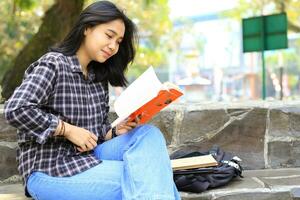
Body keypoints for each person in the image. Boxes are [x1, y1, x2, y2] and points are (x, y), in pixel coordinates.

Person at [4, 1, 181, 199]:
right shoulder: (54, 64)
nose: (113, 46)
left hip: (89, 158)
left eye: (119, 41)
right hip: (49, 169)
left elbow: (94, 135)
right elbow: (16, 108)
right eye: (109, 35)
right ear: (87, 28)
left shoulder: (98, 78)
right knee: (147, 180)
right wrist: (67, 130)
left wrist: (114, 132)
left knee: (148, 135)